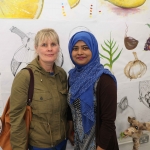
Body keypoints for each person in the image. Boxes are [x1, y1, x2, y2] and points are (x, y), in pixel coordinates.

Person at [9, 28, 68, 150]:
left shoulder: (62, 75)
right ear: (36, 48)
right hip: (39, 146)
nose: (49, 49)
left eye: (53, 44)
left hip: (62, 143)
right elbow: (16, 118)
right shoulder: (25, 76)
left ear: (58, 47)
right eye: (44, 45)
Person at [67, 31, 119, 150]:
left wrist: (100, 148)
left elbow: (108, 122)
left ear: (93, 49)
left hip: (100, 145)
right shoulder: (72, 77)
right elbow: (72, 108)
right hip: (79, 143)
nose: (80, 52)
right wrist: (70, 129)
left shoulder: (105, 80)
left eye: (85, 48)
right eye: (75, 48)